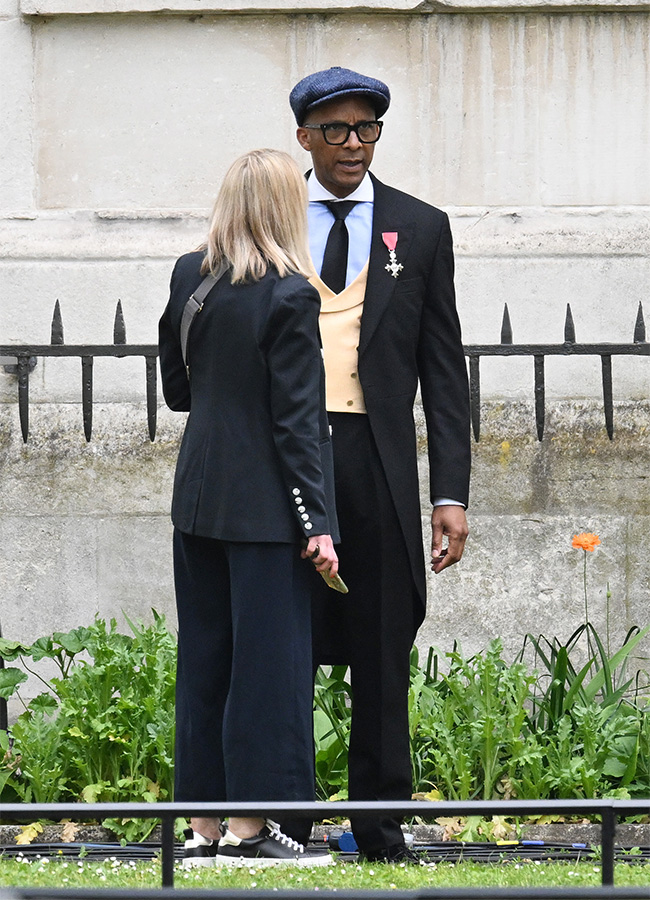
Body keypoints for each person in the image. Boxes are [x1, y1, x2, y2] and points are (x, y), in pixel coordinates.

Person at [282, 67, 471, 863]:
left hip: (377, 459)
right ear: (304, 138)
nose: (354, 145)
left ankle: (379, 823)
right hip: (286, 457)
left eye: (368, 130)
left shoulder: (419, 227)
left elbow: (443, 366)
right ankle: (283, 816)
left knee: (383, 637)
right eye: (336, 131)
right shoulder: (271, 220)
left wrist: (452, 493)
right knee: (282, 636)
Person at [158, 148, 339, 868]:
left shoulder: (188, 274)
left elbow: (176, 388)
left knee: (205, 662)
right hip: (267, 508)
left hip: (198, 494)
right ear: (285, 207)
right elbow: (297, 422)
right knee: (269, 669)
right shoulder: (291, 294)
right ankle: (255, 831)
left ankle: (201, 828)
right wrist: (317, 521)